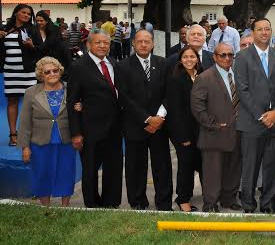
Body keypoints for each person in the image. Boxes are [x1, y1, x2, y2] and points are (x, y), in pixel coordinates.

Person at [235, 18, 275, 213]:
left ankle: (268, 203)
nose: (264, 32)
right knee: (250, 166)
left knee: (273, 166)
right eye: (260, 29)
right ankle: (248, 204)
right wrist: (262, 115)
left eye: (268, 29)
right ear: (253, 32)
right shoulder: (242, 57)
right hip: (252, 122)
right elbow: (242, 90)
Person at [117, 30, 172, 211]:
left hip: (160, 126)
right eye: (139, 41)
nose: (143, 44)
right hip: (135, 125)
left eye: (147, 41)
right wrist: (147, 119)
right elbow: (124, 97)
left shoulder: (163, 63)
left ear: (152, 43)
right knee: (135, 167)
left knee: (162, 166)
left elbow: (168, 93)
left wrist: (159, 118)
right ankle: (138, 203)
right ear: (133, 43)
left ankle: (164, 203)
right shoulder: (123, 66)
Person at [68, 31, 123, 208]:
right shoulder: (79, 66)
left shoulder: (114, 63)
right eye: (98, 42)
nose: (102, 46)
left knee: (113, 169)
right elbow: (72, 101)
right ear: (89, 45)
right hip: (90, 129)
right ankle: (92, 205)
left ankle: (111, 204)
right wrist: (76, 133)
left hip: (115, 128)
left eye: (105, 43)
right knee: (90, 170)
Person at [18, 56, 77, 206]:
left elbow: (82, 112)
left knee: (66, 173)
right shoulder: (31, 92)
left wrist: (81, 107)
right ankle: (46, 207)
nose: (52, 74)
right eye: (47, 72)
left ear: (60, 71)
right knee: (42, 173)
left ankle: (65, 207)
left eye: (55, 70)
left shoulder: (71, 89)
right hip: (40, 142)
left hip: (66, 140)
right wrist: (25, 147)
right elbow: (25, 122)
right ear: (41, 75)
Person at [190, 42, 241, 212]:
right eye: (223, 55)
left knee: (233, 169)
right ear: (214, 57)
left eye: (230, 55)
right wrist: (214, 124)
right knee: (213, 173)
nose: (227, 58)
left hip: (237, 132)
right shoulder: (204, 78)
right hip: (214, 133)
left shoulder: (237, 75)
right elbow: (197, 107)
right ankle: (210, 204)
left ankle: (229, 199)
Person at [165, 45, 204, 212]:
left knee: (200, 163)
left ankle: (205, 195)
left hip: (200, 130)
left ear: (197, 59)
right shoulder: (175, 79)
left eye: (192, 57)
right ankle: (183, 199)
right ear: (180, 60)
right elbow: (174, 110)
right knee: (186, 165)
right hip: (182, 130)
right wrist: (182, 136)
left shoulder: (202, 76)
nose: (189, 60)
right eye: (185, 57)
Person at [1, 4, 42, 146]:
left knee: (29, 103)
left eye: (29, 14)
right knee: (12, 101)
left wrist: (31, 46)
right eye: (23, 12)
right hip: (10, 71)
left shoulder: (33, 29)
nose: (26, 15)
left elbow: (41, 49)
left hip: (28, 71)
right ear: (16, 13)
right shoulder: (5, 29)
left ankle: (27, 134)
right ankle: (13, 134)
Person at [35, 11, 72, 80]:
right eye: (37, 21)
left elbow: (53, 44)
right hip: (40, 64)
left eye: (41, 20)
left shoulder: (54, 30)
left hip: (55, 61)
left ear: (46, 21)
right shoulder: (34, 30)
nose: (39, 22)